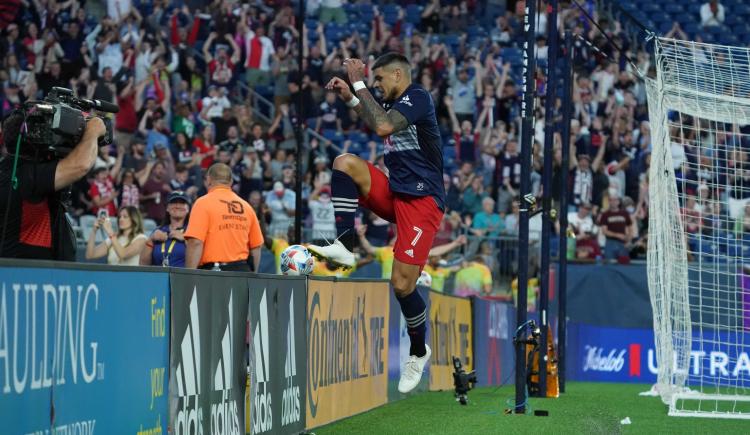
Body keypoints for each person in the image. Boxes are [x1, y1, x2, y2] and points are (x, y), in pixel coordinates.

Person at [308, 53, 444, 393]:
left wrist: (357, 83)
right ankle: (344, 246)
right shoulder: (396, 103)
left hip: (422, 201)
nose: (377, 85)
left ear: (399, 74)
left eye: (380, 79)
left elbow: (382, 125)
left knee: (401, 284)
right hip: (396, 193)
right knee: (344, 163)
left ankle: (417, 350)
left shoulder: (418, 97)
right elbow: (378, 121)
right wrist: (352, 98)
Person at [0, 112, 106, 260]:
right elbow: (81, 165)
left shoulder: (8, 169)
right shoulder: (26, 174)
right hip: (30, 272)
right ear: (32, 137)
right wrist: (93, 130)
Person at [184, 163, 264, 271]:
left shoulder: (202, 203)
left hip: (215, 274)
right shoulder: (247, 207)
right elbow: (256, 246)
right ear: (231, 181)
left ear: (208, 180)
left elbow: (195, 242)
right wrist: (253, 275)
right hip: (243, 271)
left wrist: (189, 276)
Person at [141, 191, 191, 267]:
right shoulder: (158, 231)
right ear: (167, 208)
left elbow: (198, 261)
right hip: (157, 277)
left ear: (188, 209)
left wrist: (185, 238)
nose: (177, 206)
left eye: (182, 203)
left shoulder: (192, 232)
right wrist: (151, 239)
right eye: (173, 203)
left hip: (182, 277)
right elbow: (143, 264)